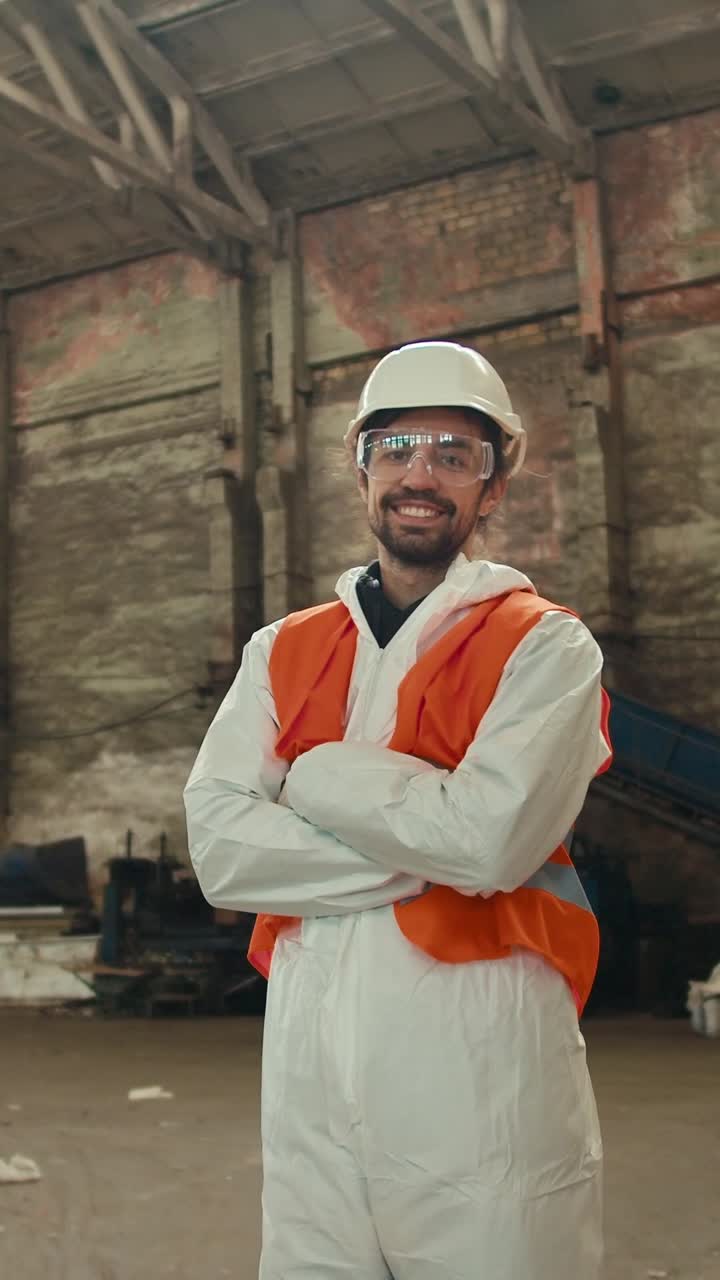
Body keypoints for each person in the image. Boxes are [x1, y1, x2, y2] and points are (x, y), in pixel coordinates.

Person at [184, 340, 612, 1280]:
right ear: (362, 466)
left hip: (480, 1074)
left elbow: (492, 842)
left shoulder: (544, 647)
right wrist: (434, 842)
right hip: (307, 1072)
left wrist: (318, 780)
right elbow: (222, 853)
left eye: (455, 456)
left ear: (491, 487)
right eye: (400, 447)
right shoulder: (281, 649)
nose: (423, 475)